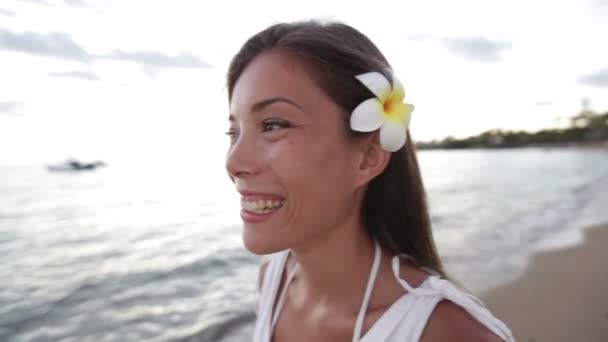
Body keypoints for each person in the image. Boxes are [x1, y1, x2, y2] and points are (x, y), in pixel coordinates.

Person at [225, 20, 515, 342]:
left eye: (273, 125)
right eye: (233, 132)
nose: (234, 162)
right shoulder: (274, 280)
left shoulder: (447, 333)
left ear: (368, 158)